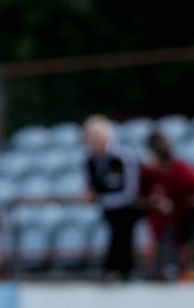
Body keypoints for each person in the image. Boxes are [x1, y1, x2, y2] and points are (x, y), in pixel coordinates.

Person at [83, 114, 142, 281]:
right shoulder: (90, 161)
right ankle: (113, 270)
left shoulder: (123, 157)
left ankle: (123, 272)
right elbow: (92, 186)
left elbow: (131, 191)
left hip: (126, 210)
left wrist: (104, 199)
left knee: (122, 237)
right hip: (108, 210)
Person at [140, 131, 194, 280]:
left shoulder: (180, 170)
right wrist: (155, 202)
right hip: (157, 221)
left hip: (182, 220)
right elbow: (139, 197)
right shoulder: (147, 173)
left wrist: (180, 204)